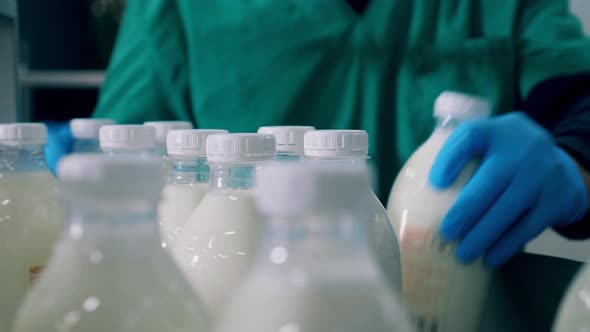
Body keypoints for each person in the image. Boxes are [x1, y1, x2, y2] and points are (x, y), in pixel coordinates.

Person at [50, 0, 590, 266]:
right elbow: (122, 145)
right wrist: (72, 165)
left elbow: (579, 98)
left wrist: (574, 161)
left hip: (453, 306)